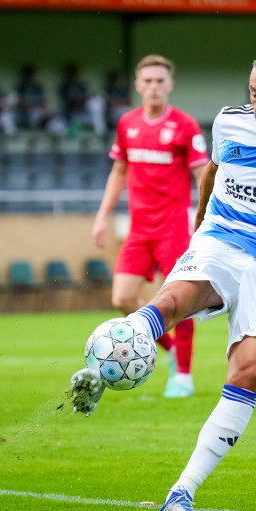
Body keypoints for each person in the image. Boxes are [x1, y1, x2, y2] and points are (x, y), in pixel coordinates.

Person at [72, 48, 256, 511]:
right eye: (254, 94)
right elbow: (213, 171)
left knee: (249, 371)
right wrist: (200, 225)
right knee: (170, 301)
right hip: (221, 242)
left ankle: (181, 492)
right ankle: (100, 365)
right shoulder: (229, 122)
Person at [91, 54, 208, 398]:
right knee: (123, 298)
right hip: (139, 230)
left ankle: (184, 375)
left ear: (169, 85)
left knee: (179, 302)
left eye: (161, 81)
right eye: (148, 81)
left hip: (173, 228)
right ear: (138, 86)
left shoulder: (185, 125)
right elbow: (118, 172)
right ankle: (167, 349)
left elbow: (203, 175)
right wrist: (102, 216)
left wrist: (208, 218)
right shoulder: (127, 123)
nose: (155, 86)